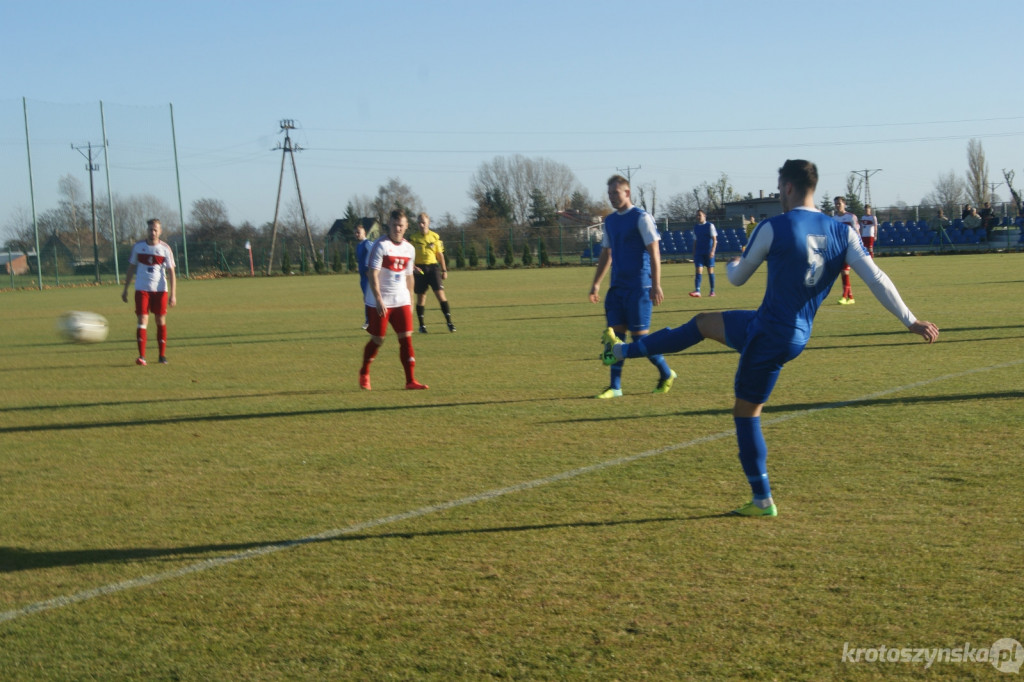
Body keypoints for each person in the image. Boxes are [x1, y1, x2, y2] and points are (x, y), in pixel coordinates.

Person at [600, 160, 938, 517]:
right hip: (790, 331)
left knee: (746, 413)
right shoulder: (842, 231)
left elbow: (737, 279)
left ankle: (762, 499)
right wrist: (910, 320)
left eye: (779, 189)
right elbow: (877, 279)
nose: (778, 195)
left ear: (788, 188)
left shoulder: (773, 226)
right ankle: (623, 351)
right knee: (702, 323)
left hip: (769, 334)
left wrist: (732, 264)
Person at [588, 174, 675, 399]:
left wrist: (656, 285)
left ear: (627, 193)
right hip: (617, 288)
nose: (612, 198)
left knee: (640, 340)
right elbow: (606, 253)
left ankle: (666, 374)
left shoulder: (641, 217)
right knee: (615, 339)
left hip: (640, 287)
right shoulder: (610, 221)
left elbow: (654, 252)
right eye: (609, 194)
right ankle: (615, 387)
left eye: (615, 193)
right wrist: (596, 284)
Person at [359, 209, 428, 391]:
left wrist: (411, 300)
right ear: (389, 225)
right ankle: (364, 371)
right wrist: (379, 300)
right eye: (394, 225)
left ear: (406, 227)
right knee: (378, 340)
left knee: (406, 339)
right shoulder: (380, 246)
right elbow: (372, 275)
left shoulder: (409, 249)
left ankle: (410, 380)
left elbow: (408, 276)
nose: (397, 228)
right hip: (379, 301)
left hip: (401, 299)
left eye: (401, 225)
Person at [121, 218, 176, 366]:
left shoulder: (165, 248)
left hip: (160, 290)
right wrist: (125, 289)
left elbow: (171, 272)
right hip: (142, 289)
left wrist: (173, 294)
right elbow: (131, 268)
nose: (152, 232)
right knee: (142, 320)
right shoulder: (138, 247)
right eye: (150, 229)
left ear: (160, 231)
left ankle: (162, 355)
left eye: (155, 229)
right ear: (147, 231)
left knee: (160, 320)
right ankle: (142, 356)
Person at [407, 212, 455, 333]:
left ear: (428, 223)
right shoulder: (413, 238)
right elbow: (408, 256)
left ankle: (449, 322)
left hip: (433, 269)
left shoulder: (435, 237)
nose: (421, 225)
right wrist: (413, 267)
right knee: (421, 298)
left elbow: (440, 255)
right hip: (420, 270)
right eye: (419, 222)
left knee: (441, 295)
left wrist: (444, 270)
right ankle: (422, 326)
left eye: (423, 222)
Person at [833, 196, 859, 304]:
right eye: (836, 204)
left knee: (844, 271)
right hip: (839, 249)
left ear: (844, 204)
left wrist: (857, 246)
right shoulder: (834, 219)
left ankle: (844, 296)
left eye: (839, 203)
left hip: (850, 247)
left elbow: (857, 232)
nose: (837, 206)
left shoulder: (851, 217)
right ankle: (851, 297)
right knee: (843, 273)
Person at [689, 209, 718, 297]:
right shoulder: (696, 227)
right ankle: (697, 290)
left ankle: (712, 291)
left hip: (708, 252)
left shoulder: (710, 226)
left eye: (700, 215)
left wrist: (713, 251)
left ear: (704, 216)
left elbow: (715, 240)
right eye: (697, 215)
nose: (698, 217)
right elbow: (695, 241)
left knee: (710, 271)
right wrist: (694, 253)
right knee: (698, 270)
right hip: (699, 252)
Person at [354, 223, 372, 330]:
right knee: (367, 298)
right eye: (355, 233)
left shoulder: (367, 243)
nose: (356, 234)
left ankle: (368, 321)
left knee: (368, 298)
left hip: (368, 276)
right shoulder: (359, 245)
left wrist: (369, 267)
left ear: (364, 233)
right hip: (362, 277)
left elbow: (375, 250)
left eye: (358, 232)